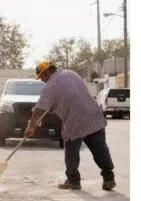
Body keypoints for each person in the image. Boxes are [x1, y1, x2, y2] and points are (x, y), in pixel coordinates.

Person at [26, 60, 116, 191]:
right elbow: (71, 95)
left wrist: (31, 126)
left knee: (71, 152)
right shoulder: (71, 73)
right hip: (94, 115)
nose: (41, 80)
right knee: (100, 149)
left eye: (42, 77)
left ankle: (73, 181)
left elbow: (39, 109)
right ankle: (109, 178)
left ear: (46, 72)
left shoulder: (50, 86)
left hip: (75, 122)